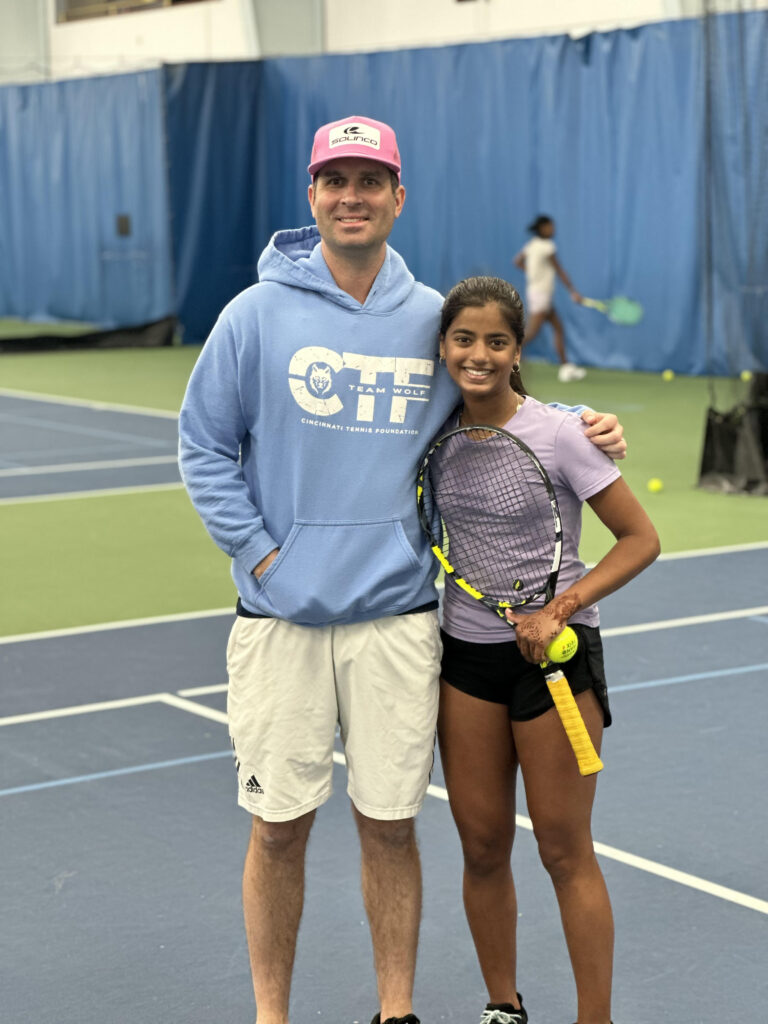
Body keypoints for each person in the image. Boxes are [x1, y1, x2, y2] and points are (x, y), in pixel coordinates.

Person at [178, 116, 628, 1024]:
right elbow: (202, 447)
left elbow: (495, 384)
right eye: (334, 180)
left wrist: (586, 426)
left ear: (397, 198)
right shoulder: (252, 315)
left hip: (395, 621)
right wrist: (266, 554)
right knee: (278, 830)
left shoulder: (429, 319)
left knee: (391, 826)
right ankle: (273, 1014)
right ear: (312, 194)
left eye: (370, 181)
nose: (352, 196)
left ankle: (396, 1010)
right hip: (279, 621)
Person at [434, 276, 660, 1024]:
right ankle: (504, 1006)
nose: (478, 354)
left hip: (556, 663)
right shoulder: (433, 429)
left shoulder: (562, 432)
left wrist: (559, 607)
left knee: (564, 850)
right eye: (463, 338)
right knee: (483, 847)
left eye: (496, 341)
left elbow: (641, 539)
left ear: (515, 350)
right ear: (443, 346)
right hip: (466, 660)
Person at [513, 215, 585, 383]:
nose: (553, 229)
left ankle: (566, 367)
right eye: (550, 226)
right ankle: (508, 356)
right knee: (532, 332)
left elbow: (517, 262)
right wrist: (573, 292)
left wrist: (533, 274)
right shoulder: (547, 246)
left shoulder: (531, 245)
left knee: (558, 327)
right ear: (542, 228)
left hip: (536, 292)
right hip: (541, 295)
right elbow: (559, 270)